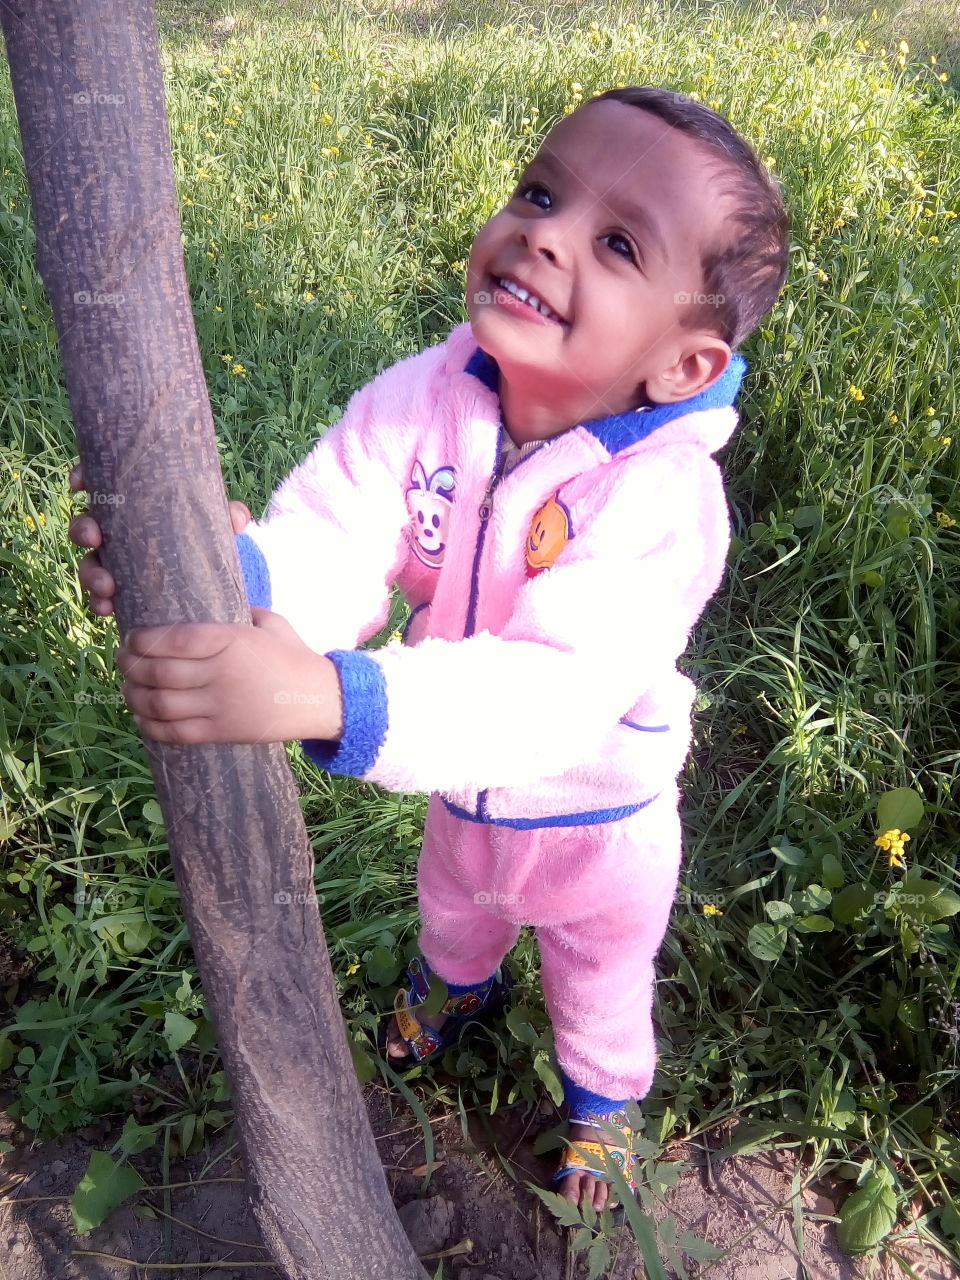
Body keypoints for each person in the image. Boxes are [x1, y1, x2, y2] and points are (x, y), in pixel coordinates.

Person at [69, 86, 790, 1214]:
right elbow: (340, 531)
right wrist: (226, 582)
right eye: (540, 191)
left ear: (684, 366)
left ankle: (602, 1102)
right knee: (453, 908)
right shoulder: (435, 393)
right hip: (461, 795)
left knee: (599, 976)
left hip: (599, 823)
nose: (544, 233)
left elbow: (550, 696)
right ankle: (450, 992)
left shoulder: (665, 500)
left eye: (614, 242)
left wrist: (322, 694)